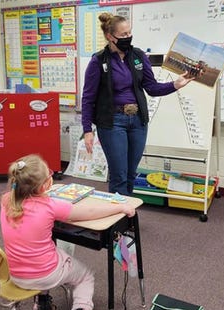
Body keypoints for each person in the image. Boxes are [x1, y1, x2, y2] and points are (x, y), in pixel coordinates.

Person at [0, 154, 136, 310]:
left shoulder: (6, 201)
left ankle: (43, 303)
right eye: (49, 176)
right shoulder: (49, 206)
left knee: (52, 249)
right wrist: (122, 207)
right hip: (46, 273)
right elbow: (88, 213)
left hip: (15, 274)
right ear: (45, 186)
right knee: (86, 275)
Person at [80, 12, 199, 196]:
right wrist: (87, 130)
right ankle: (118, 218)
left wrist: (176, 84)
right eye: (123, 35)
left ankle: (126, 214)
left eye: (130, 33)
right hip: (112, 122)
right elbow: (88, 97)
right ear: (110, 37)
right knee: (119, 174)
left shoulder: (138, 56)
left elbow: (151, 88)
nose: (128, 37)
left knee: (130, 174)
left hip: (137, 121)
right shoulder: (98, 61)